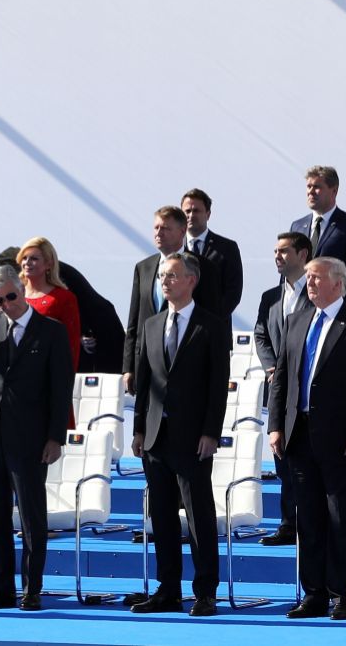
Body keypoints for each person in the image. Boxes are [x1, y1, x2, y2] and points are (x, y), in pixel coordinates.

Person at [0, 266, 74, 611]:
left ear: (23, 290)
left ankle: (31, 588)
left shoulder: (51, 331)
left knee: (33, 517)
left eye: (10, 296)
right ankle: (1, 588)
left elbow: (61, 389)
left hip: (31, 437)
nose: (6, 304)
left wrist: (55, 437)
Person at [268, 257, 346, 621]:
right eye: (308, 278)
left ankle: (341, 594)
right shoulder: (296, 320)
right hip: (300, 437)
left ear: (338, 283)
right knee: (309, 521)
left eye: (315, 278)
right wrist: (276, 426)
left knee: (341, 520)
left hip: (341, 442)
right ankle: (312, 593)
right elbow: (281, 380)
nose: (309, 283)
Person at [129, 253, 231, 616]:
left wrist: (210, 433)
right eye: (161, 276)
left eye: (172, 275)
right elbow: (144, 382)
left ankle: (206, 590)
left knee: (198, 515)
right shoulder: (152, 324)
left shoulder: (211, 326)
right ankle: (167, 588)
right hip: (157, 435)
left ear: (192, 280)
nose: (165, 281)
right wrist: (139, 427)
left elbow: (217, 387)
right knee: (162, 514)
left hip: (192, 437)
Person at [254, 231, 313, 546]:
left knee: (305, 461)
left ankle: (309, 521)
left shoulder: (316, 293)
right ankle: (289, 523)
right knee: (282, 459)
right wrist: (271, 367)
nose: (277, 256)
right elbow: (261, 334)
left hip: (307, 389)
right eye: (275, 251)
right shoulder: (270, 297)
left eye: (284, 251)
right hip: (278, 389)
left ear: (303, 254)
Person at [0, 247, 123, 374]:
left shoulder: (51, 274)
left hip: (99, 328)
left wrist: (80, 333)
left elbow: (70, 305)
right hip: (91, 324)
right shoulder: (43, 270)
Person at [123, 207, 201, 393]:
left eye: (165, 228)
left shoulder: (200, 267)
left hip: (183, 365)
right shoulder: (144, 267)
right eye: (156, 228)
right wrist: (128, 368)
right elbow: (134, 321)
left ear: (182, 231)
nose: (159, 233)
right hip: (145, 363)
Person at [290, 166, 346, 312]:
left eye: (317, 187)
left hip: (333, 315)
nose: (310, 191)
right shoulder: (297, 226)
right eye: (309, 186)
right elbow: (288, 273)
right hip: (298, 315)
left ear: (334, 191)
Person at [17, 237, 83, 367]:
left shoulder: (64, 298)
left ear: (49, 264)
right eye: (24, 258)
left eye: (34, 259)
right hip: (12, 375)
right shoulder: (12, 295)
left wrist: (66, 379)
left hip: (46, 373)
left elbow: (72, 344)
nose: (27, 263)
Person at [181, 187, 243, 320]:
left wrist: (210, 320)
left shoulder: (227, 248)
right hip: (181, 328)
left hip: (215, 327)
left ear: (208, 214)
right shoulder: (176, 248)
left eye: (196, 211)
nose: (191, 215)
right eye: (187, 211)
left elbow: (233, 292)